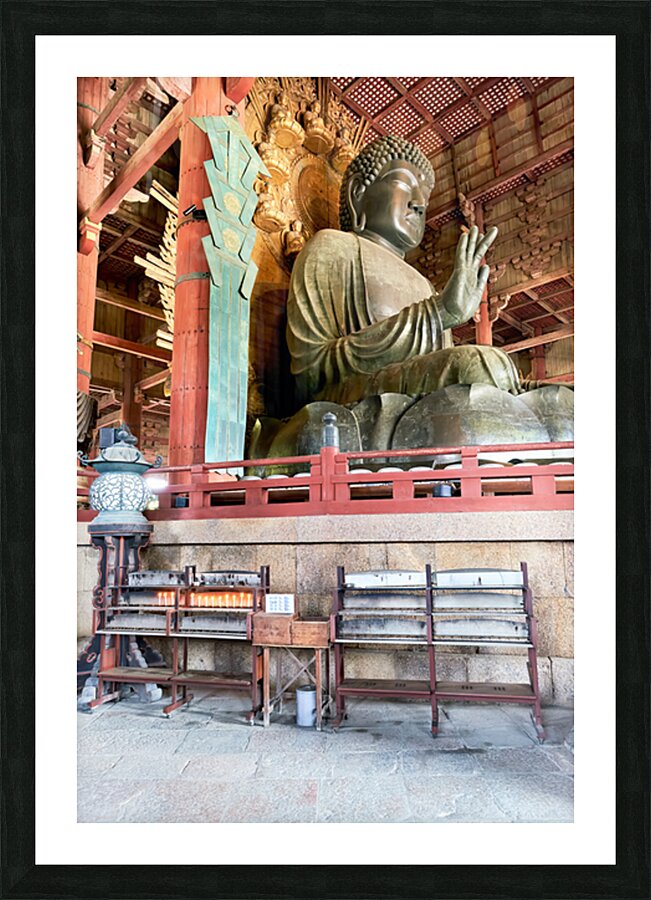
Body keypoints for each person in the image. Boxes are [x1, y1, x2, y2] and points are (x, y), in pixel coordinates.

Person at [286, 135, 520, 406]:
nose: (419, 203)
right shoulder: (332, 247)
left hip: (414, 392)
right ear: (358, 193)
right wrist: (438, 313)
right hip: (349, 397)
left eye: (424, 195)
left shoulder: (424, 285)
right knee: (478, 366)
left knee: (543, 388)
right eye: (404, 183)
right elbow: (310, 376)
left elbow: (438, 367)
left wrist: (439, 314)